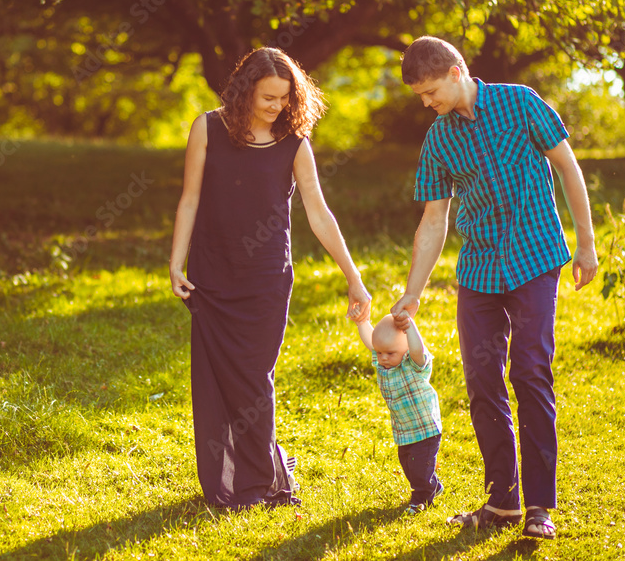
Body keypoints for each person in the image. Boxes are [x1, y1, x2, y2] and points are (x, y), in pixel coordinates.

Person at [390, 36, 598, 539]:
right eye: (420, 95)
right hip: (480, 270)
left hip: (535, 257)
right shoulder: (439, 138)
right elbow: (434, 220)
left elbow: (568, 168)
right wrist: (414, 291)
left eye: (432, 90)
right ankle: (502, 502)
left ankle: (540, 508)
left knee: (529, 373)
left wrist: (586, 244)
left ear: (457, 72)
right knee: (483, 383)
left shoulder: (520, 102)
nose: (427, 102)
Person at [169, 47, 372, 509]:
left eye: (284, 98)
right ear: (245, 91)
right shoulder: (207, 128)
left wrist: (353, 277)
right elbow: (189, 199)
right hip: (212, 274)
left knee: (255, 378)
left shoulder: (295, 143)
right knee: (219, 379)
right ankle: (249, 476)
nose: (276, 107)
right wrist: (175, 263)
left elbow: (320, 214)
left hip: (266, 278)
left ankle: (261, 482)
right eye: (267, 97)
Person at [354, 313, 443, 514]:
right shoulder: (385, 361)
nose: (383, 358)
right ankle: (433, 486)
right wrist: (362, 322)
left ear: (405, 348)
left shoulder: (413, 364)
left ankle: (422, 499)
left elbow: (417, 348)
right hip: (404, 431)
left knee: (419, 470)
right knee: (409, 467)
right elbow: (372, 342)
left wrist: (409, 327)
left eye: (390, 353)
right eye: (380, 353)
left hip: (425, 428)